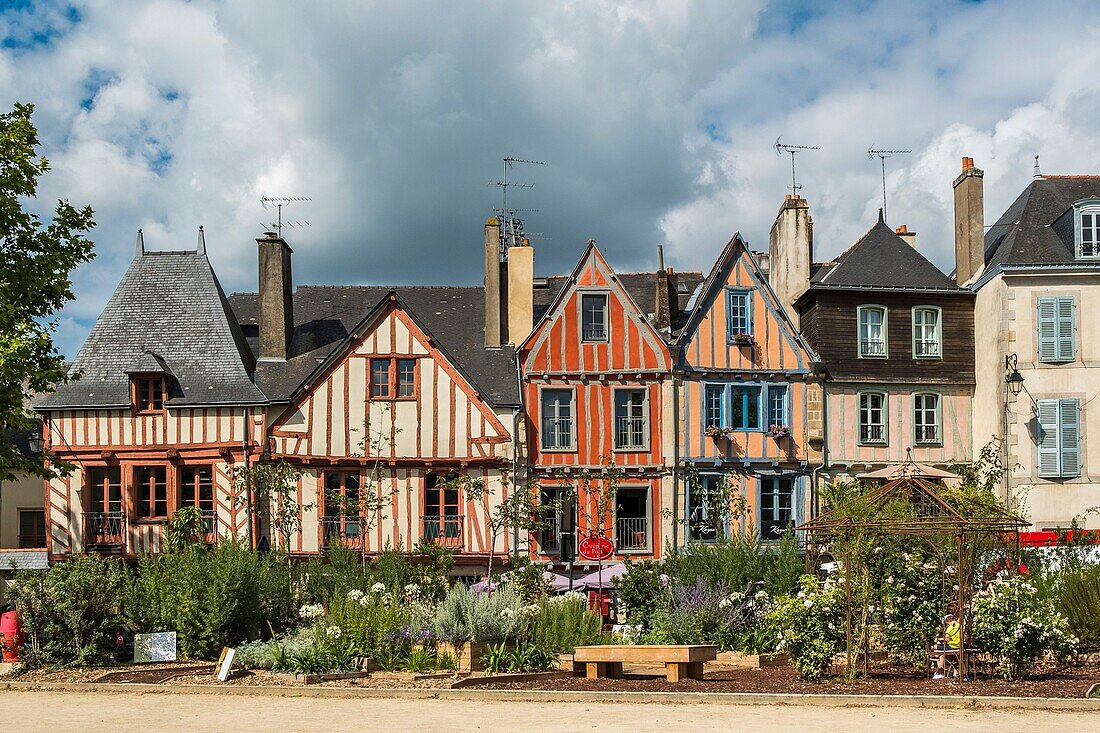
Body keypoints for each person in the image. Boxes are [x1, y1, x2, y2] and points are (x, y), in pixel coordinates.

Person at [934, 613, 961, 679]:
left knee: (936, 648)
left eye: (946, 624)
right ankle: (955, 671)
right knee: (945, 652)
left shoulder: (950, 627)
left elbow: (947, 639)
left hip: (951, 646)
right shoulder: (960, 626)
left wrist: (940, 639)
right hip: (958, 646)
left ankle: (940, 669)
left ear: (947, 622)